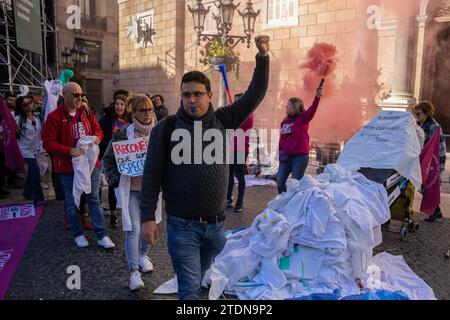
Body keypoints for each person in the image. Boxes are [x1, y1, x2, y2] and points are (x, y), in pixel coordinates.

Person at [140, 35, 270, 300]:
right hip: (181, 227)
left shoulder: (225, 119)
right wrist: (147, 217)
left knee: (203, 279)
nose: (191, 100)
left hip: (216, 227)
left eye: (198, 94)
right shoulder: (165, 128)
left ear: (210, 96)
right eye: (186, 94)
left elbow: (256, 93)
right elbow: (152, 175)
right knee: (189, 289)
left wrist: (263, 56)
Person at [42, 82, 115, 249]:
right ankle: (78, 233)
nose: (80, 98)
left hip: (91, 164)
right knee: (72, 201)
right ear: (64, 95)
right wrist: (69, 150)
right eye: (76, 95)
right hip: (68, 167)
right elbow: (48, 143)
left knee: (94, 199)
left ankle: (101, 235)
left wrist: (96, 138)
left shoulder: (86, 112)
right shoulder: (54, 117)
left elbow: (98, 130)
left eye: (81, 95)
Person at [103, 94, 158, 290]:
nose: (148, 114)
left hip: (152, 192)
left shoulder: (159, 133)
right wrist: (115, 181)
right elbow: (107, 160)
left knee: (149, 227)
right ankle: (134, 271)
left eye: (150, 109)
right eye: (143, 110)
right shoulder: (122, 134)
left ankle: (143, 255)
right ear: (133, 112)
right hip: (131, 190)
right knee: (133, 228)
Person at [277, 86, 323, 194]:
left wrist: (317, 97)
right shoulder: (285, 122)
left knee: (295, 185)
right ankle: (283, 201)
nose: (285, 107)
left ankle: (294, 206)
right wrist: (280, 152)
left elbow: (312, 110)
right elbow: (282, 140)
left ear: (294, 108)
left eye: (288, 105)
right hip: (286, 157)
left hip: (299, 157)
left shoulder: (303, 119)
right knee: (280, 181)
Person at [99, 94, 131, 228]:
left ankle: (127, 213)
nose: (119, 106)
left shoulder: (130, 120)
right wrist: (112, 146)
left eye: (122, 104)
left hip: (126, 158)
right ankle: (113, 214)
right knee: (113, 186)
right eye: (117, 104)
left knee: (127, 186)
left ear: (126, 106)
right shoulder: (106, 119)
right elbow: (100, 136)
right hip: (112, 158)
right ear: (114, 105)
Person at [413, 101, 446, 222]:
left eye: (418, 114)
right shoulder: (420, 124)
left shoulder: (433, 126)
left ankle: (436, 211)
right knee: (424, 185)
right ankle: (436, 211)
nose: (416, 116)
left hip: (434, 160)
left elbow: (427, 146)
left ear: (426, 113)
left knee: (430, 185)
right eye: (415, 114)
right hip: (425, 159)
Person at [14, 96, 45, 206]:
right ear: (20, 106)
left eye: (30, 102)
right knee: (35, 171)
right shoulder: (18, 118)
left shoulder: (37, 118)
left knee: (32, 172)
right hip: (24, 150)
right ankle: (38, 198)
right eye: (25, 104)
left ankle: (27, 193)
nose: (28, 106)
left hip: (35, 149)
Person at [226, 93, 254, 212]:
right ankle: (228, 198)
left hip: (241, 150)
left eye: (238, 101)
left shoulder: (248, 115)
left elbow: (235, 125)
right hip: (231, 149)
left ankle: (240, 202)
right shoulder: (235, 114)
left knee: (239, 175)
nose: (236, 104)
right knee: (229, 175)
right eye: (235, 102)